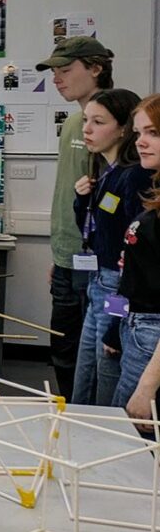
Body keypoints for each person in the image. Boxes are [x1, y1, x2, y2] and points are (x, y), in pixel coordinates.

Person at [36, 36, 116, 398]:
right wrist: (61, 254)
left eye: (66, 70)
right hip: (69, 256)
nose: (57, 79)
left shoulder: (117, 120)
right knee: (65, 348)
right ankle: (69, 420)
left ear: (96, 69)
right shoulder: (73, 123)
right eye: (54, 72)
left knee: (99, 354)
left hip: (101, 264)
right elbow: (69, 191)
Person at [71, 89, 150, 406]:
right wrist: (81, 201)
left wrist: (118, 323)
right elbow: (95, 232)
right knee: (84, 376)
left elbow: (134, 255)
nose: (87, 130)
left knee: (106, 374)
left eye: (98, 122)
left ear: (123, 128)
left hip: (117, 289)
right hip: (98, 283)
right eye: (86, 121)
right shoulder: (107, 174)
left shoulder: (134, 177)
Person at [113, 94, 160, 433]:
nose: (141, 142)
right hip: (135, 326)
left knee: (130, 436)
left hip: (151, 338)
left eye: (154, 133)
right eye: (140, 132)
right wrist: (113, 326)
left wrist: (147, 387)